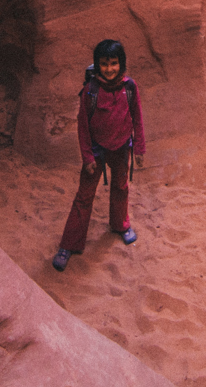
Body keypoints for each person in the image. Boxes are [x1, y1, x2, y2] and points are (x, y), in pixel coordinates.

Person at [52, 39, 146, 271]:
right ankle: (69, 244)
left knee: (121, 187)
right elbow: (83, 126)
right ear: (97, 65)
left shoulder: (129, 88)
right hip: (96, 149)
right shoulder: (90, 92)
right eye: (104, 64)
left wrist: (140, 149)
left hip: (122, 147)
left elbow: (138, 119)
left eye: (114, 63)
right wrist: (87, 157)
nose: (109, 69)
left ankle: (120, 225)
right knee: (84, 196)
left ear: (121, 64)